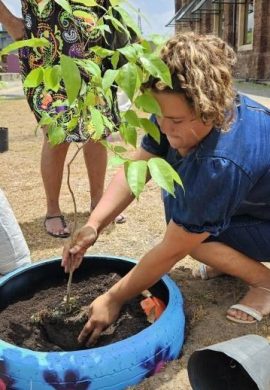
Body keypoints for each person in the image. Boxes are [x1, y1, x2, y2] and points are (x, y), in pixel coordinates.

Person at [62, 32, 270, 346]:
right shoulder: (180, 110)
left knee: (189, 237)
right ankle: (231, 259)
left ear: (209, 108)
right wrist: (94, 224)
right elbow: (137, 168)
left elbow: (173, 248)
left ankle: (265, 283)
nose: (163, 127)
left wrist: (114, 297)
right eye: (158, 115)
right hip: (254, 207)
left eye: (174, 119)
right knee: (184, 212)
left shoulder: (221, 162)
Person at [0, 0, 126, 238]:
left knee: (97, 128)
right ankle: (52, 209)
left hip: (93, 48)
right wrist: (9, 21)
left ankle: (98, 201)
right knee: (57, 133)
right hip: (47, 50)